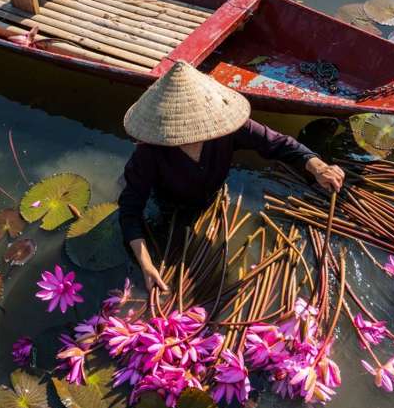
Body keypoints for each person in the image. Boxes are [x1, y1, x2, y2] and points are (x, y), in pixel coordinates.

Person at [118, 60, 344, 292]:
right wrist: (146, 264)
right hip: (170, 205)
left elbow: (277, 143)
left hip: (212, 195)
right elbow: (129, 212)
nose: (193, 134)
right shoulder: (148, 153)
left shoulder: (226, 128)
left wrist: (317, 166)